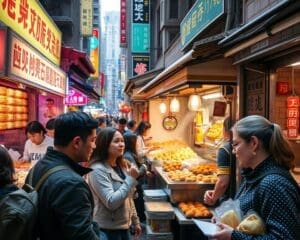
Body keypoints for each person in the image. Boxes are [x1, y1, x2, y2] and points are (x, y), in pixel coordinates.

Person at [211, 115, 300, 240]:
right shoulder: (252, 175)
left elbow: (284, 237)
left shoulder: (273, 183)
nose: (233, 151)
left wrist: (233, 236)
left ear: (253, 143)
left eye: (236, 144)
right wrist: (225, 220)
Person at [25, 111, 103, 240]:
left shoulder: (38, 166)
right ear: (77, 142)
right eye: (93, 140)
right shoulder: (71, 184)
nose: (94, 146)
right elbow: (83, 236)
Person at [87, 127, 142, 240]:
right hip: (107, 229)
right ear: (105, 144)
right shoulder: (97, 169)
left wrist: (135, 221)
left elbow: (129, 197)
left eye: (122, 141)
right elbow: (111, 202)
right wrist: (131, 179)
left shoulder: (122, 165)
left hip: (124, 226)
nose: (121, 144)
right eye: (116, 141)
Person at [204, 117, 236, 206]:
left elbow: (223, 182)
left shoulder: (225, 149)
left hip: (228, 201)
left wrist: (213, 198)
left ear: (225, 130)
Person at [123, 132, 148, 223]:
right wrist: (144, 168)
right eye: (136, 142)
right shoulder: (127, 156)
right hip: (135, 185)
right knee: (138, 204)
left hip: (136, 184)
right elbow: (136, 173)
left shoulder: (129, 154)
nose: (137, 144)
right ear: (131, 143)